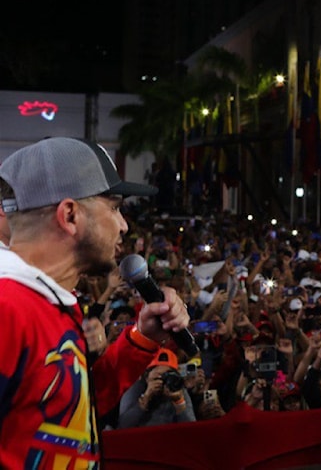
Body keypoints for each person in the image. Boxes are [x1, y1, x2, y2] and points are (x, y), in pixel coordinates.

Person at [0, 137, 190, 468]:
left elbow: (68, 412)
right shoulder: (8, 308)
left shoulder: (49, 300)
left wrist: (142, 339)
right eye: (114, 207)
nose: (123, 224)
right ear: (70, 215)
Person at [117, 348, 196, 427]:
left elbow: (190, 430)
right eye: (158, 377)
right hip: (142, 437)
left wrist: (179, 403)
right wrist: (145, 398)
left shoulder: (177, 389)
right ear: (147, 376)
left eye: (167, 376)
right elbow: (123, 426)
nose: (162, 381)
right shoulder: (135, 388)